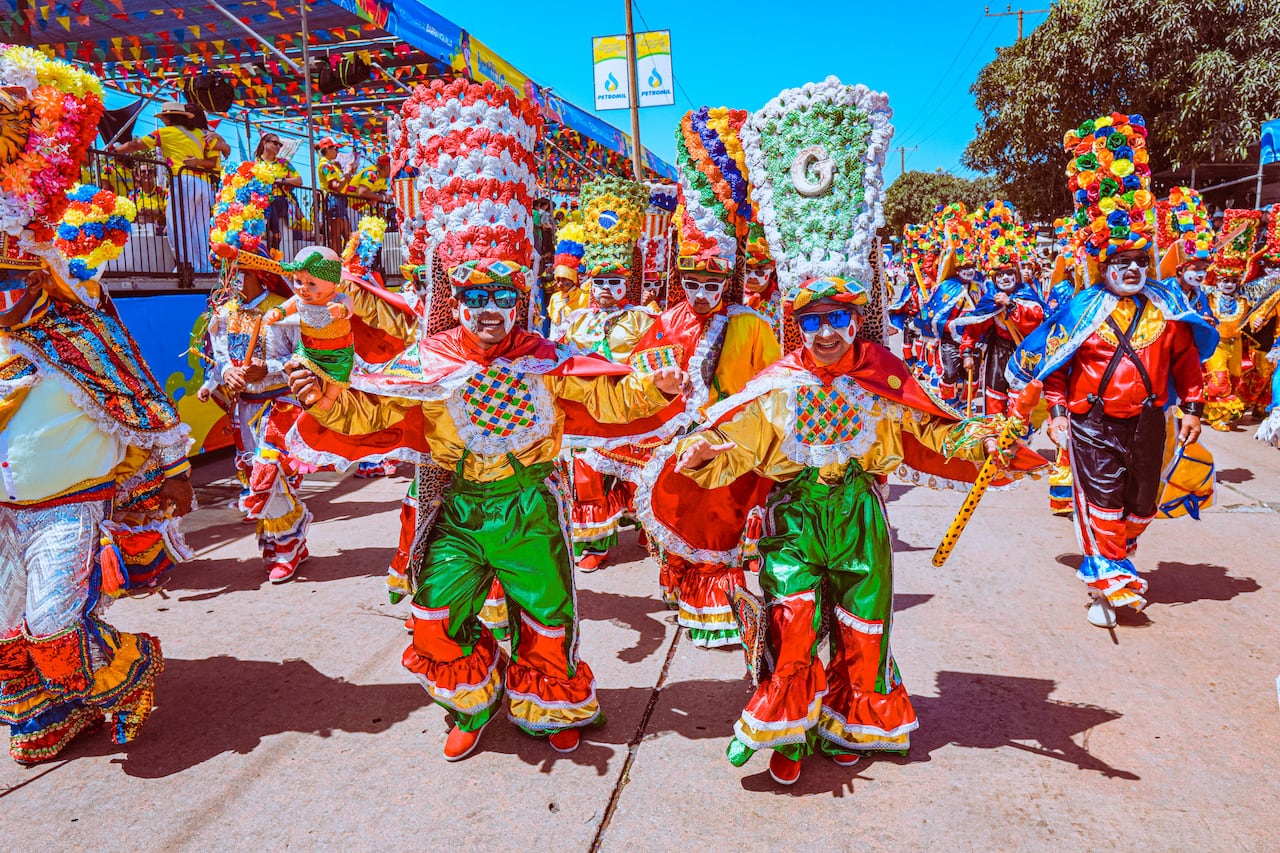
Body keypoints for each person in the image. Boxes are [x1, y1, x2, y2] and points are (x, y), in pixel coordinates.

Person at [286, 79, 688, 761]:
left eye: (506, 290)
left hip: (530, 506)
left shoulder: (547, 358)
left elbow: (609, 399)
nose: (492, 306)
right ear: (456, 297)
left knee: (549, 621)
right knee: (432, 621)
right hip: (461, 511)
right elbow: (372, 409)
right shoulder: (431, 360)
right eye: (476, 293)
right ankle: (477, 690)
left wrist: (657, 383)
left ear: (523, 293)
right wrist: (323, 396)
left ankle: (548, 698)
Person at [662, 275, 1041, 785]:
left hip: (859, 515)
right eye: (812, 320)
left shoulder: (881, 375)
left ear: (856, 323)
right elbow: (740, 442)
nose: (825, 332)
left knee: (862, 626)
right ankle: (787, 730)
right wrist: (703, 450)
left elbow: (932, 429)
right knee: (791, 622)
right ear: (798, 328)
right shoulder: (780, 384)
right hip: (795, 518)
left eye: (836, 318)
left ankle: (851, 725)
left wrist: (984, 441)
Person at [0, 51, 194, 763]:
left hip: (65, 502)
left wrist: (169, 468)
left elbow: (135, 393)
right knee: (3, 630)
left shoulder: (74, 331)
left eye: (7, 279)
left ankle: (128, 670)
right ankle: (47, 711)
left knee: (52, 622)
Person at [1010, 112, 1218, 629]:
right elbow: (1056, 360)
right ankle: (1112, 581)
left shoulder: (1169, 307)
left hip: (1150, 421)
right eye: (1120, 259)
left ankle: (1116, 560)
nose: (1130, 268)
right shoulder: (1081, 307)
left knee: (1140, 504)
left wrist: (1192, 406)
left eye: (1139, 259)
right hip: (1092, 422)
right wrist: (1055, 411)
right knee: (1101, 500)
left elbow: (1186, 360)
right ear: (1102, 262)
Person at [557, 177, 657, 571]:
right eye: (599, 282)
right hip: (586, 413)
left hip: (632, 410)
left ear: (626, 283)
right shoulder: (576, 319)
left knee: (640, 473)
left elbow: (654, 362)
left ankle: (652, 528)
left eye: (613, 282)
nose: (604, 290)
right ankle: (594, 543)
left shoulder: (644, 318)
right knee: (584, 477)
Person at [955, 204, 1045, 416]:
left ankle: (1016, 440)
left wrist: (1011, 304)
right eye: (1000, 276)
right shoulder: (990, 299)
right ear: (994, 279)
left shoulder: (1026, 292)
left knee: (1019, 399)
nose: (1005, 278)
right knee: (994, 394)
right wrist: (967, 352)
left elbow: (1037, 316)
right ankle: (995, 438)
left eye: (1009, 274)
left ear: (1016, 275)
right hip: (997, 350)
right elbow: (974, 327)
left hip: (1024, 351)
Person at [115, 101, 223, 275]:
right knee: (200, 229)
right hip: (203, 183)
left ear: (167, 117)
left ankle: (185, 266)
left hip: (183, 181)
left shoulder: (164, 132)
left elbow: (137, 145)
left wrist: (117, 150)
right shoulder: (199, 133)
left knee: (178, 226)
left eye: (164, 117)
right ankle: (204, 267)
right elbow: (219, 153)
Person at [915, 203, 981, 403]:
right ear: (956, 268)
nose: (968, 272)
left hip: (975, 340)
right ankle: (949, 403)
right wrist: (949, 326)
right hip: (950, 340)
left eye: (971, 267)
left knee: (973, 373)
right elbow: (934, 314)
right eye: (964, 267)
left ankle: (967, 402)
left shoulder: (979, 285)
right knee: (950, 373)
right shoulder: (947, 286)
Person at [253, 133, 303, 255]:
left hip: (281, 201)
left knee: (273, 201)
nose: (278, 147)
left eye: (279, 145)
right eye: (275, 143)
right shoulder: (255, 164)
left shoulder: (284, 163)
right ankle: (275, 236)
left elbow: (299, 181)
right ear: (265, 143)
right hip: (262, 202)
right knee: (269, 202)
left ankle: (275, 236)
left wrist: (282, 181)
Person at [317, 137, 358, 253]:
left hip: (339, 200)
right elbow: (336, 186)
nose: (337, 152)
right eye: (335, 149)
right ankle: (337, 262)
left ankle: (345, 261)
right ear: (327, 149)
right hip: (333, 200)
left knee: (347, 235)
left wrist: (348, 175)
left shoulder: (331, 165)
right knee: (336, 235)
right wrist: (347, 174)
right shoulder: (326, 165)